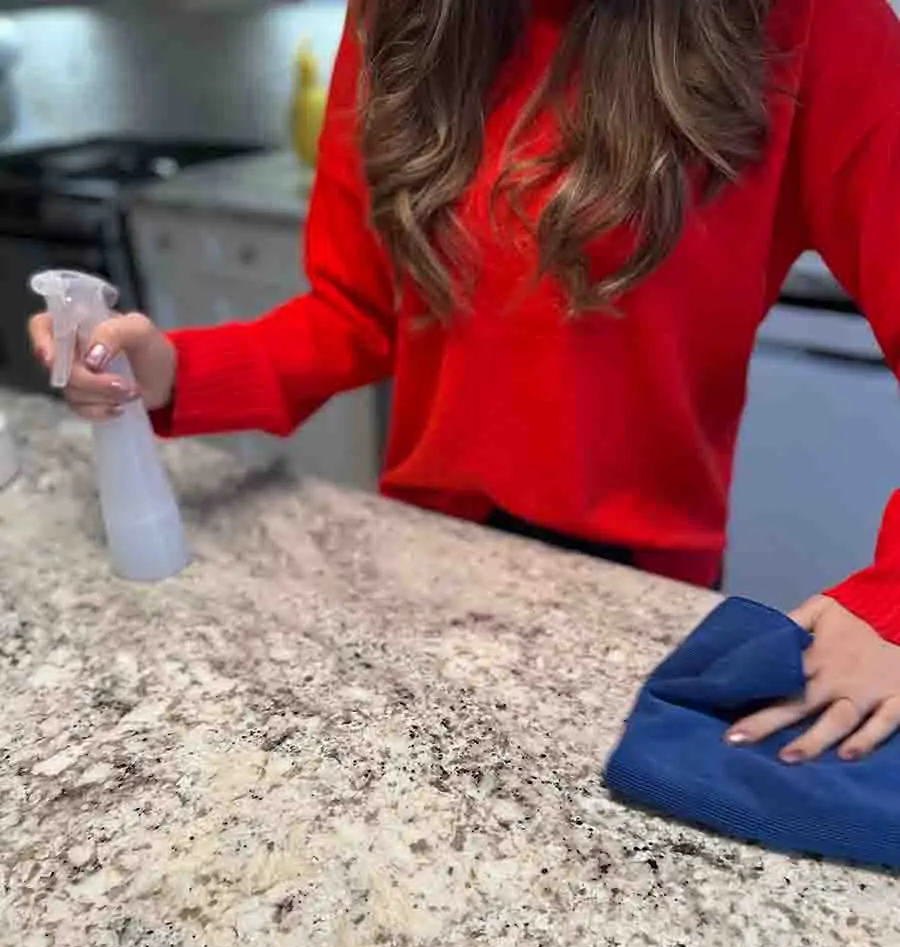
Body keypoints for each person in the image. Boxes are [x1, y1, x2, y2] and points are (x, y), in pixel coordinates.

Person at [29, 0, 900, 762]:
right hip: (421, 566)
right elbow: (355, 313)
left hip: (636, 600)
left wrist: (891, 602)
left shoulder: (812, 22)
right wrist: (174, 372)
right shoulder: (398, 19)